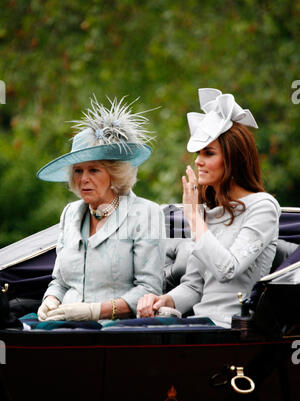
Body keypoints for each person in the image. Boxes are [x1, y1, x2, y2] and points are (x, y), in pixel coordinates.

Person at [137, 88, 281, 328]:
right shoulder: (211, 213)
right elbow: (194, 286)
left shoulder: (263, 207)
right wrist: (165, 300)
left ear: (233, 160)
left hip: (233, 329)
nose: (197, 160)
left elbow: (228, 269)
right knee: (119, 332)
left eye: (208, 153)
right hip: (200, 325)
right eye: (198, 153)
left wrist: (194, 216)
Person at [36, 96, 165, 323]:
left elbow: (149, 288)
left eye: (93, 170)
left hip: (115, 333)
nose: (84, 179)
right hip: (62, 328)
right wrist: (51, 300)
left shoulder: (146, 214)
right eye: (78, 171)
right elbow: (60, 281)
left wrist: (96, 311)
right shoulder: (70, 214)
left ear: (114, 174)